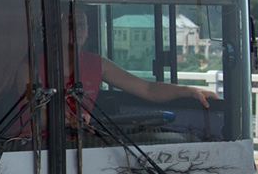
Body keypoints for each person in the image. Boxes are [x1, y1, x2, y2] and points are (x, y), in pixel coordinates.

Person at [64, 8, 216, 127]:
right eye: (70, 25)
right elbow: (40, 116)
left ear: (88, 32)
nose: (77, 30)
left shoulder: (96, 64)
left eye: (81, 25)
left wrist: (187, 90)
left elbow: (148, 88)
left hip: (85, 142)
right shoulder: (40, 64)